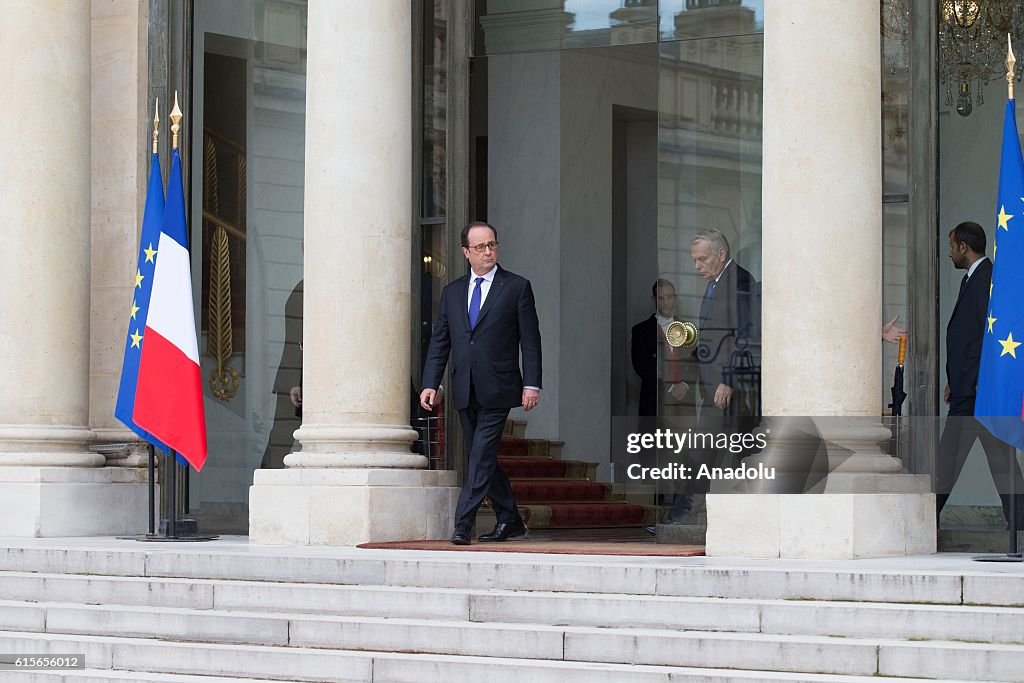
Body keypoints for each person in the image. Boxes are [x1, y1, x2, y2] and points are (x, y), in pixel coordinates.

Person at [420, 221, 542, 545]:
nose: (488, 251)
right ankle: (509, 518)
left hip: (500, 388)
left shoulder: (516, 287)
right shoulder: (453, 292)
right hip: (464, 388)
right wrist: (430, 382)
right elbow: (440, 342)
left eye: (492, 245)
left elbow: (530, 341)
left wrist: (532, 384)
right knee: (483, 457)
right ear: (466, 252)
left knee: (480, 456)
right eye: (480, 247)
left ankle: (463, 523)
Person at [936, 221, 1024, 529]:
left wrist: (969, 382)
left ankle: (921, 520)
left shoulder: (987, 279)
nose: (949, 254)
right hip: (970, 387)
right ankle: (1020, 524)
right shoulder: (973, 279)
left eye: (951, 246)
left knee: (947, 461)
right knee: (1002, 463)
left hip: (975, 392)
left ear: (964, 247)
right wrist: (954, 379)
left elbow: (987, 339)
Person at [631, 279, 695, 419]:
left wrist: (684, 385)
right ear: (654, 300)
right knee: (653, 441)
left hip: (685, 404)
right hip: (654, 402)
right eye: (661, 298)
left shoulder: (688, 328)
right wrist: (670, 387)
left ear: (675, 298)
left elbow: (696, 363)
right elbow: (641, 367)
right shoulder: (641, 331)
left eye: (670, 297)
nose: (666, 302)